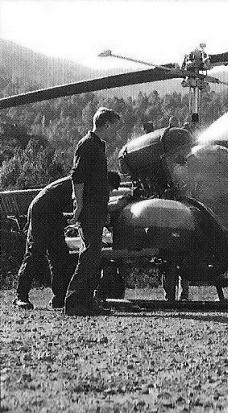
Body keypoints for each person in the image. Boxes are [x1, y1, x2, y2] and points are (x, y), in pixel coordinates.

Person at [12, 172, 122, 310]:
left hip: (54, 212)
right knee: (35, 253)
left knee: (59, 256)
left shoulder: (89, 183)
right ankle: (20, 296)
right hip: (42, 210)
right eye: (110, 188)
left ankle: (59, 297)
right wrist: (116, 205)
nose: (109, 192)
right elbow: (87, 208)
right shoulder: (88, 184)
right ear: (105, 183)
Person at [64, 107, 121, 316]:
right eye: (114, 128)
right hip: (89, 209)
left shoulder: (97, 146)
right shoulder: (87, 145)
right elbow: (77, 177)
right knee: (89, 254)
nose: (115, 133)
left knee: (93, 254)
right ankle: (73, 302)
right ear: (106, 125)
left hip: (95, 208)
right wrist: (79, 205)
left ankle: (86, 302)